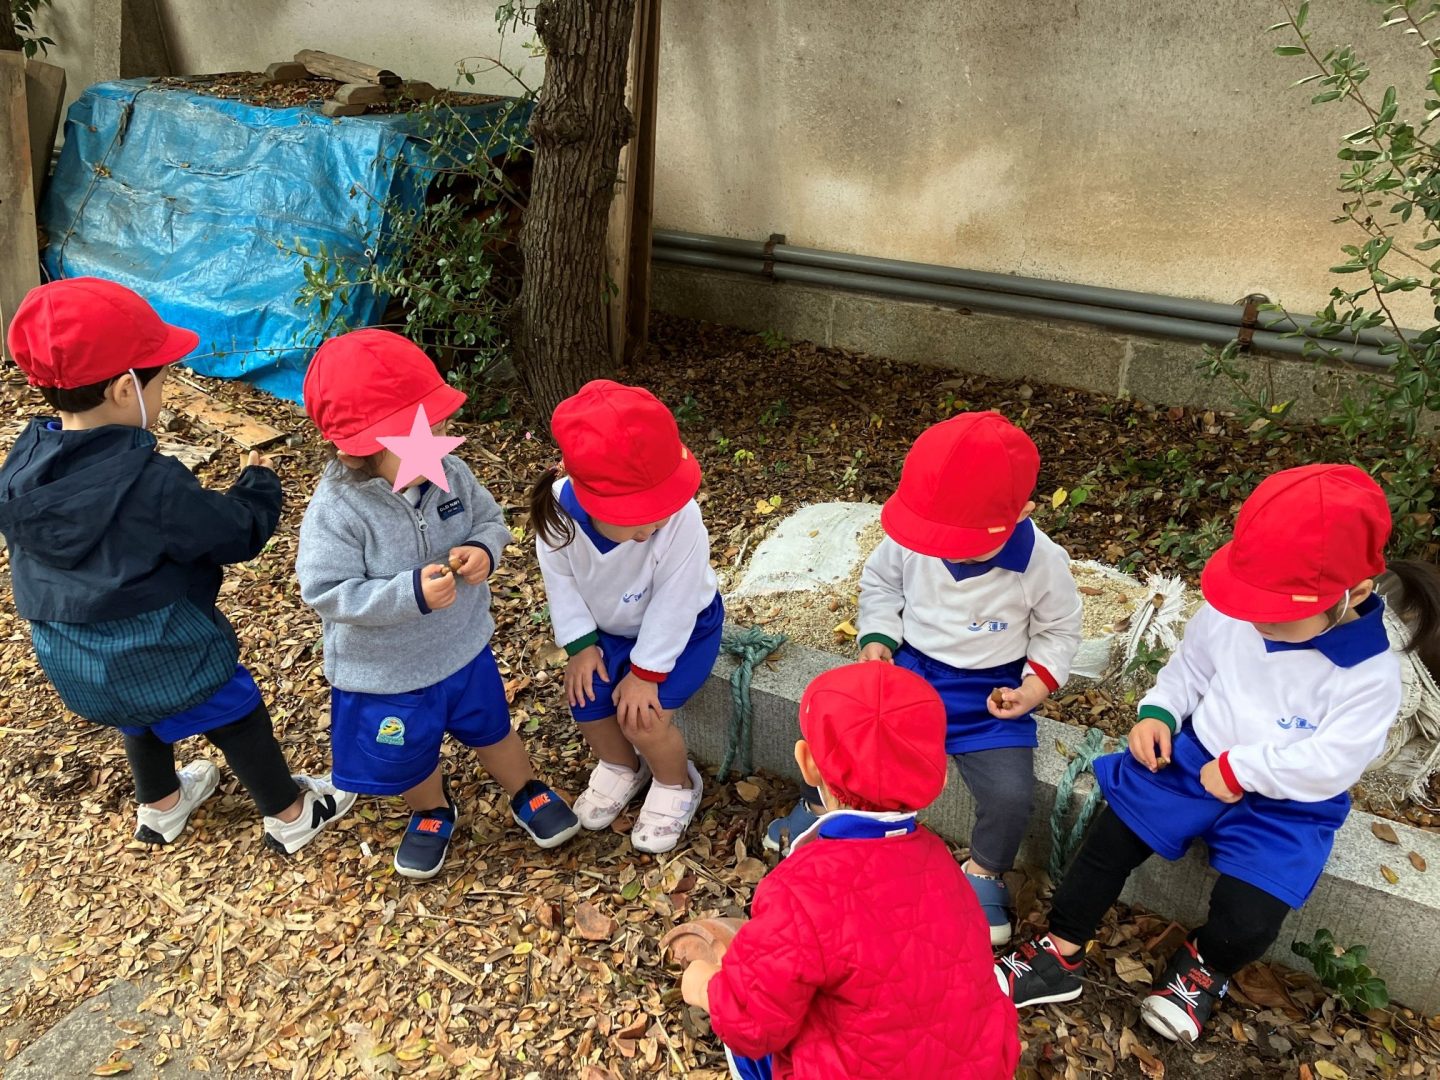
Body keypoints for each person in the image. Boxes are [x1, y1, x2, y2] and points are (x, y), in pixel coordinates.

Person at [995, 464, 1440, 1043]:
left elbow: (1333, 761)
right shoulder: (1238, 609)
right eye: (1250, 603)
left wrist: (1244, 769)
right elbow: (1191, 669)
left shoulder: (1370, 676)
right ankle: (1061, 948)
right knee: (1109, 840)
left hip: (1289, 797)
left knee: (1251, 916)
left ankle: (1205, 964)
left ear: (1352, 594)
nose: (1256, 620)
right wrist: (1159, 712)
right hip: (1194, 758)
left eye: (1277, 615)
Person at [0, 278, 354, 853]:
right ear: (125, 389)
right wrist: (258, 487)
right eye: (161, 382)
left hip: (77, 661)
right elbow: (232, 534)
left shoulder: (25, 462)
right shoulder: (151, 483)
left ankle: (161, 806)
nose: (163, 393)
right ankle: (290, 813)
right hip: (162, 653)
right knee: (233, 705)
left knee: (136, 710)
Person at [297, 329, 578, 879]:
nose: (441, 439)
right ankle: (430, 810)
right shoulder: (338, 511)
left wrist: (483, 550)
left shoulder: (450, 472)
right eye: (422, 432)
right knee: (411, 754)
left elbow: (490, 520)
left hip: (462, 648)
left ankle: (525, 789)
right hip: (389, 672)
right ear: (360, 449)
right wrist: (409, 593)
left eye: (440, 425)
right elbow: (327, 591)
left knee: (493, 727)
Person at [679, 661, 1021, 1080]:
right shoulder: (944, 865)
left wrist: (704, 986)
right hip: (981, 1065)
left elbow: (752, 1024)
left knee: (751, 1041)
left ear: (807, 764)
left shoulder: (799, 890)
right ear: (941, 775)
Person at [848, 410, 1081, 945]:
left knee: (1010, 795)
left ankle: (984, 872)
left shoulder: (1042, 563)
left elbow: (1058, 629)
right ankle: (839, 819)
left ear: (1021, 514)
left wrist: (1034, 687)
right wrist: (878, 636)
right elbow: (881, 584)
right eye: (934, 536)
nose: (944, 548)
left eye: (962, 539)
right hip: (913, 668)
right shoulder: (915, 536)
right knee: (854, 736)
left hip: (991, 694)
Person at [530, 380, 721, 854]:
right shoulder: (557, 514)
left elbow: (677, 601)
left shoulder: (681, 519)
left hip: (684, 632)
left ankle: (676, 783)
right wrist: (580, 645)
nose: (653, 525)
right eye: (637, 516)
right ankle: (622, 766)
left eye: (660, 510)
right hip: (608, 631)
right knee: (586, 699)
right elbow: (561, 582)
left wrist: (646, 673)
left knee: (643, 719)